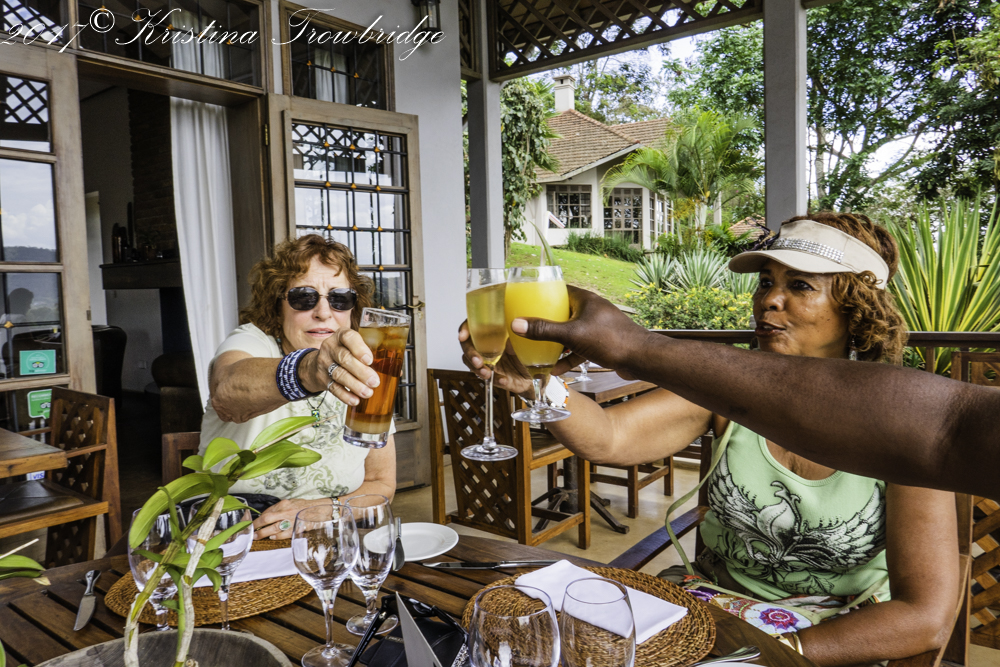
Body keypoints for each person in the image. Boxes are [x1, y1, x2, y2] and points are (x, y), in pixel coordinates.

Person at [460, 214, 960, 664]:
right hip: (707, 614)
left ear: (856, 309)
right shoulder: (733, 393)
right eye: (766, 282)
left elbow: (925, 616)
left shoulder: (902, 426)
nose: (769, 300)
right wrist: (537, 383)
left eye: (800, 285)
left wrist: (767, 657)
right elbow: (610, 436)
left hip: (829, 637)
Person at [201, 235, 395, 540]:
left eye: (340, 298)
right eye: (303, 297)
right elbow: (226, 389)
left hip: (328, 535)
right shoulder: (253, 341)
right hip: (235, 534)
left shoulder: (363, 364)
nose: (323, 312)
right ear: (277, 304)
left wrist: (321, 510)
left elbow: (382, 483)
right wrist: (307, 371)